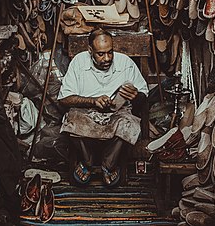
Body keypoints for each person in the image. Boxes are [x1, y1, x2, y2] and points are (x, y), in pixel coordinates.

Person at [58, 28, 148, 187]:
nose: (107, 58)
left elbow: (143, 94)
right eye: (101, 54)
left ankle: (109, 165)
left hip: (117, 114)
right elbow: (64, 99)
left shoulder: (125, 62)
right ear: (90, 50)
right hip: (87, 113)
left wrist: (136, 96)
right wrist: (93, 101)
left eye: (110, 52)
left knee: (129, 125)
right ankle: (87, 162)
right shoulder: (79, 62)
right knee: (71, 122)